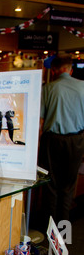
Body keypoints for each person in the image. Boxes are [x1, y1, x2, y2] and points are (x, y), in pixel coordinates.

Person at [39, 54, 84, 227]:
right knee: (68, 187)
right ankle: (64, 232)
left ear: (55, 71)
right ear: (70, 70)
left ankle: (48, 231)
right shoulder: (83, 87)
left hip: (52, 141)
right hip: (76, 141)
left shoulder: (49, 88)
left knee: (50, 186)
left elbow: (41, 121)